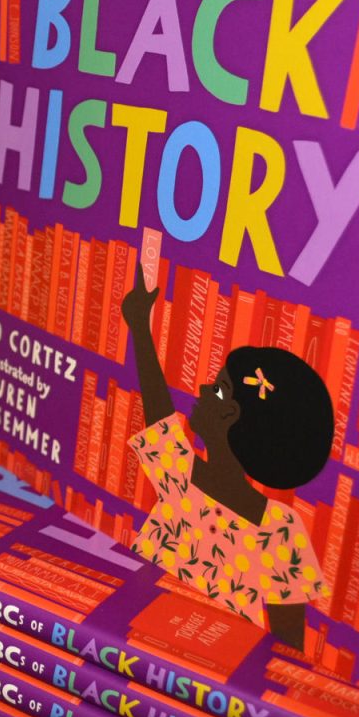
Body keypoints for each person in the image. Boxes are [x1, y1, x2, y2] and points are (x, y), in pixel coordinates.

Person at [120, 267, 335, 651]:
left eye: (218, 389)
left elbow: (288, 648)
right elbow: (159, 412)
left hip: (211, 660)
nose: (203, 389)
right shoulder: (184, 477)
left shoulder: (278, 528)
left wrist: (139, 326)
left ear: (232, 416)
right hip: (132, 632)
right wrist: (139, 324)